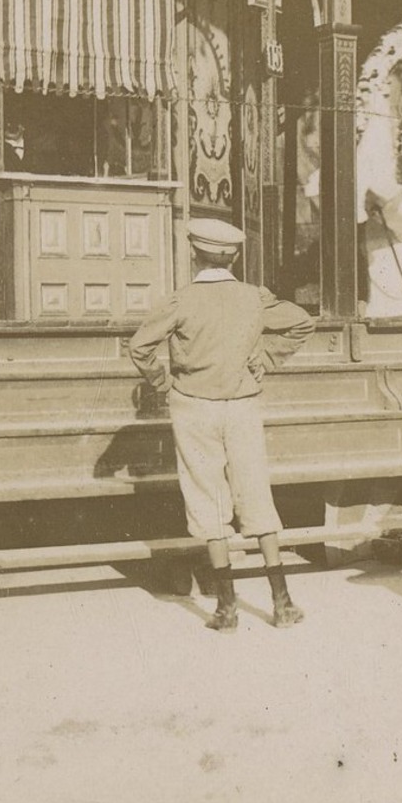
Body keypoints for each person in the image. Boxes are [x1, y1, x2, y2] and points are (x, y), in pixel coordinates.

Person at [129, 218, 316, 632]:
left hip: (194, 406)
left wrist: (161, 383)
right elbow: (303, 322)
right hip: (243, 404)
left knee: (206, 496)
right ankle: (282, 603)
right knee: (256, 492)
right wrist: (265, 359)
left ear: (195, 254)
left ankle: (226, 609)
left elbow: (140, 347)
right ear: (234, 256)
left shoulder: (181, 300)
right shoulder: (254, 298)